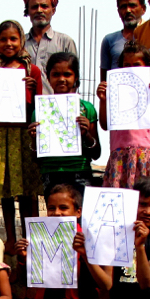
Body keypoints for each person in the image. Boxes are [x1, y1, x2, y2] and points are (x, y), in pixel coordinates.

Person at [0, 20, 42, 250]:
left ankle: (30, 236)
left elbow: (39, 107)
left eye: (13, 39)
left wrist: (32, 89)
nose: (8, 43)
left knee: (26, 192)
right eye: (3, 39)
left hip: (22, 136)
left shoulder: (32, 71)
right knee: (4, 191)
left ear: (22, 41)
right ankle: (11, 238)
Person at [98, 42, 150, 188]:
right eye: (127, 65)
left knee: (147, 195)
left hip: (146, 156)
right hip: (120, 156)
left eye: (137, 65)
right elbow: (104, 125)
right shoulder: (114, 92)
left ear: (148, 67)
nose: (131, 68)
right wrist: (103, 101)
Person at [31, 52, 100, 195]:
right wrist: (34, 140)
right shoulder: (39, 111)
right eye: (56, 75)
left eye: (67, 74)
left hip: (80, 173)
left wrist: (86, 134)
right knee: (56, 210)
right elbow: (35, 159)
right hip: (51, 174)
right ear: (48, 78)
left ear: (76, 77)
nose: (61, 79)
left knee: (80, 209)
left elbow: (96, 153)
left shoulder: (86, 109)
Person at [22, 0, 77, 93]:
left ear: (53, 10)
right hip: (25, 103)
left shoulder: (65, 42)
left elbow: (73, 81)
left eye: (44, 6)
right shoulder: (19, 44)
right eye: (34, 7)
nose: (39, 10)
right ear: (28, 11)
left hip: (55, 102)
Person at [100, 0, 147, 81]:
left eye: (132, 5)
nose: (128, 10)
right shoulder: (109, 40)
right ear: (118, 11)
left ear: (143, 9)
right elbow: (104, 80)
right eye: (123, 7)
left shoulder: (149, 37)